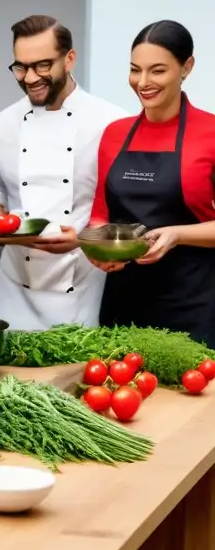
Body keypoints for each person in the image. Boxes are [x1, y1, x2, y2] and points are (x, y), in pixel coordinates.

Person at [0, 14, 125, 331]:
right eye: (21, 66)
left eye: (42, 65)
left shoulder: (111, 122)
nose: (30, 78)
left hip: (82, 286)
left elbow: (123, 210)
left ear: (69, 59)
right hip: (15, 289)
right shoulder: (0, 125)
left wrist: (84, 241)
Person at [88, 20, 215, 345]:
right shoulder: (115, 134)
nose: (142, 82)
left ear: (186, 67)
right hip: (124, 302)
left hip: (193, 303)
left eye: (157, 71)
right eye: (135, 70)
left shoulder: (210, 133)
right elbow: (101, 213)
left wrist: (177, 234)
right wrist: (96, 245)